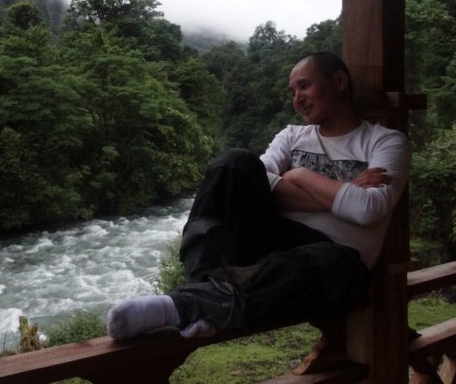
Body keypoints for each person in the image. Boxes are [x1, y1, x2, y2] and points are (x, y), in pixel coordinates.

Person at [106, 52, 411, 340]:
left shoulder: (386, 142)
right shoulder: (292, 135)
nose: (297, 99)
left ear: (339, 82)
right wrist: (344, 192)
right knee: (234, 162)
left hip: (339, 259)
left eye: (304, 86)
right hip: (271, 242)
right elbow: (254, 182)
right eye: (293, 91)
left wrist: (298, 175)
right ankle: (201, 286)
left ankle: (187, 305)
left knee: (329, 263)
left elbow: (368, 209)